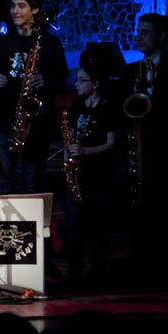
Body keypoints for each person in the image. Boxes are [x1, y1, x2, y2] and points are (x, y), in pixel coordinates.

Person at [0, 0, 67, 194]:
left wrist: (46, 80)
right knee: (3, 178)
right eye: (13, 6)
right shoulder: (3, 43)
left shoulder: (49, 43)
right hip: (7, 117)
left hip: (36, 122)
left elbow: (63, 78)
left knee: (33, 180)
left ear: (34, 10)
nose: (15, 11)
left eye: (21, 6)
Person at [125, 13, 168, 288]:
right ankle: (140, 270)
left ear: (160, 36)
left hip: (165, 150)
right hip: (138, 147)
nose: (140, 37)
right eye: (139, 31)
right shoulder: (132, 69)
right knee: (139, 212)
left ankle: (166, 272)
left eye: (146, 32)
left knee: (165, 212)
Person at [64, 52, 117, 291]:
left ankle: (97, 276)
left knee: (97, 228)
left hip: (99, 176)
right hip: (78, 175)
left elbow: (111, 143)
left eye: (81, 80)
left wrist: (85, 151)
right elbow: (69, 140)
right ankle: (74, 275)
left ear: (94, 84)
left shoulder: (107, 108)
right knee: (74, 229)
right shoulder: (76, 107)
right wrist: (69, 161)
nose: (76, 84)